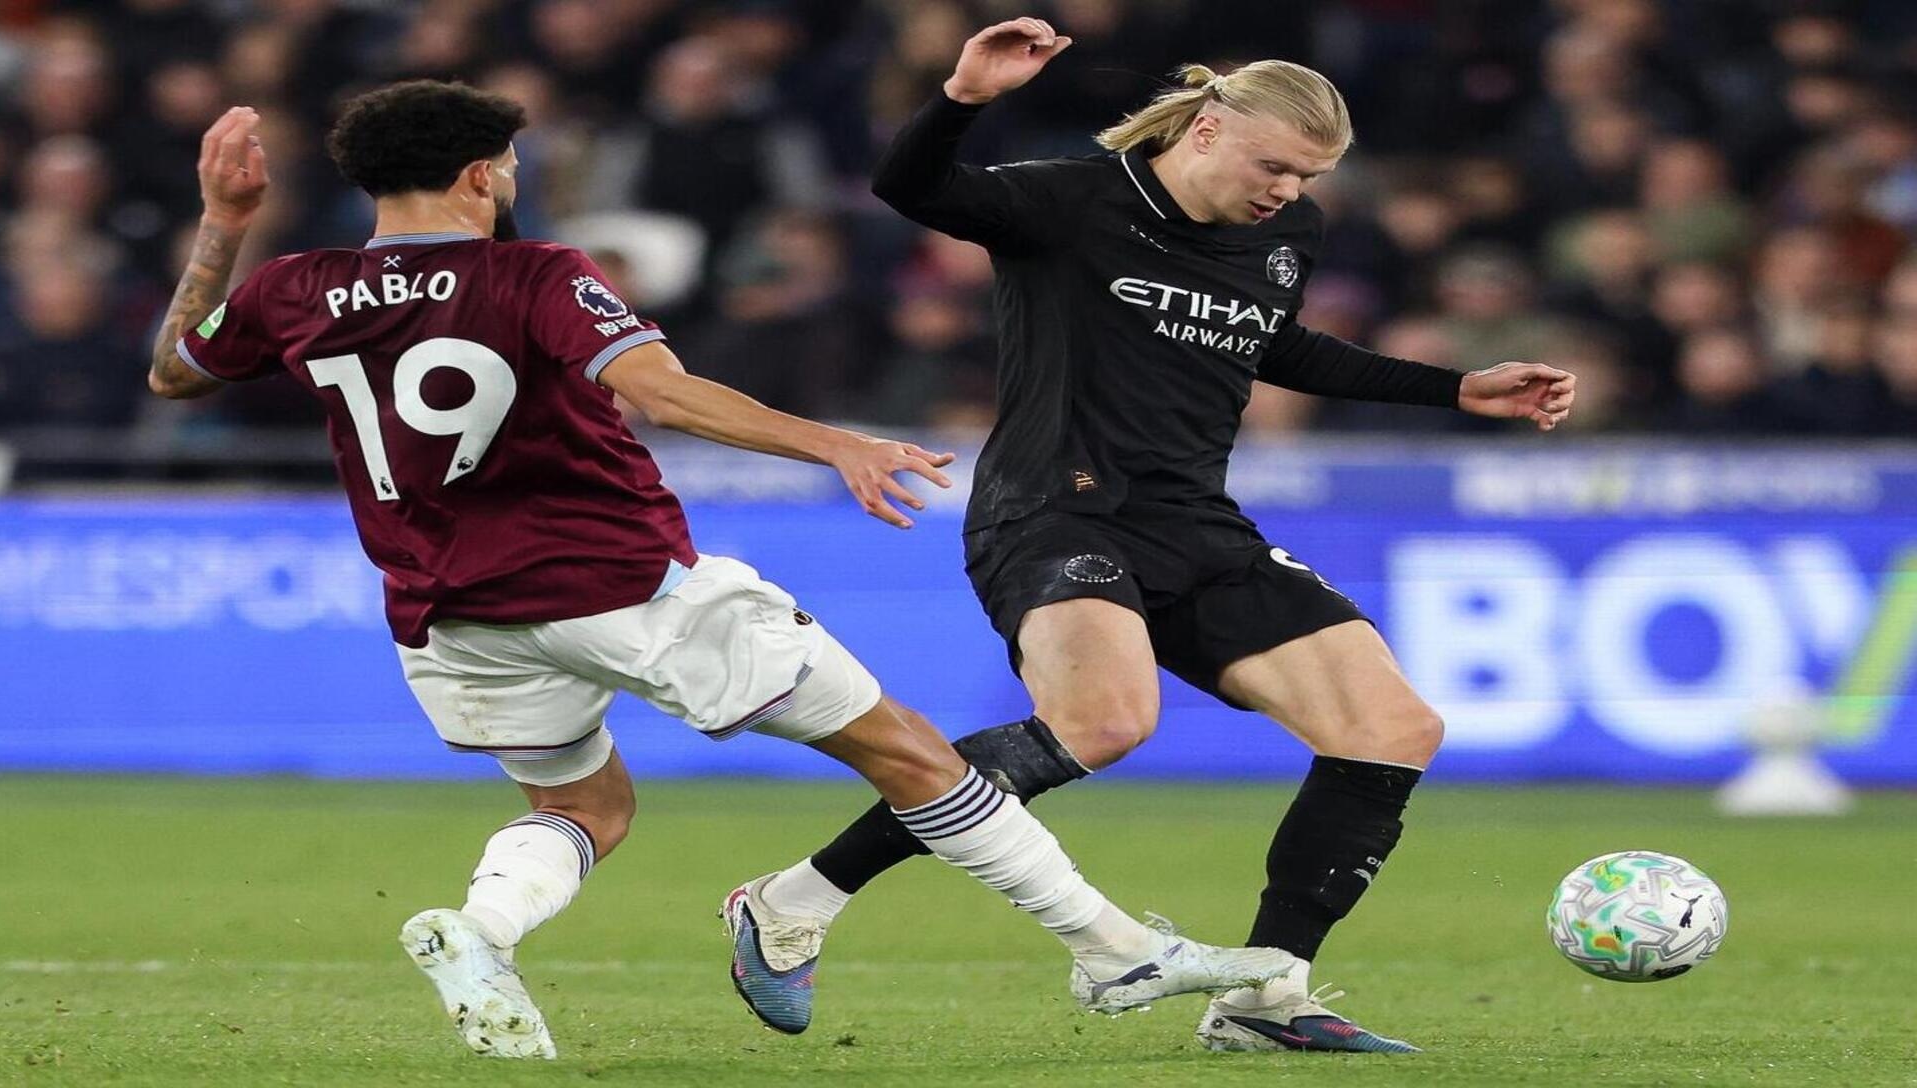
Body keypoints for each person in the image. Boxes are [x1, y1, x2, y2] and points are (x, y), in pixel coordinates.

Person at [144, 81, 1298, 1061]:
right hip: (624, 585)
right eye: (508, 165)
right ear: (486, 173)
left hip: (448, 614)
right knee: (910, 751)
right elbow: (663, 393)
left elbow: (175, 373)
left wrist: (224, 219)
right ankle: (1115, 951)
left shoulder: (293, 287)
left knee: (583, 803)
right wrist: (834, 439)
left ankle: (484, 927)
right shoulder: (536, 273)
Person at [727, 18, 1577, 1053]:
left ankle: (1267, 999)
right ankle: (791, 898)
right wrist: (964, 95)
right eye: (1275, 165)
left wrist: (1453, 389)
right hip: (1053, 507)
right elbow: (912, 189)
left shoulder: (1286, 235)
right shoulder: (1074, 198)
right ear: (1210, 127)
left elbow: (1272, 342)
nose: (1287, 190)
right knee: (1103, 721)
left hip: (1194, 521)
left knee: (1392, 727)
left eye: (1307, 177)